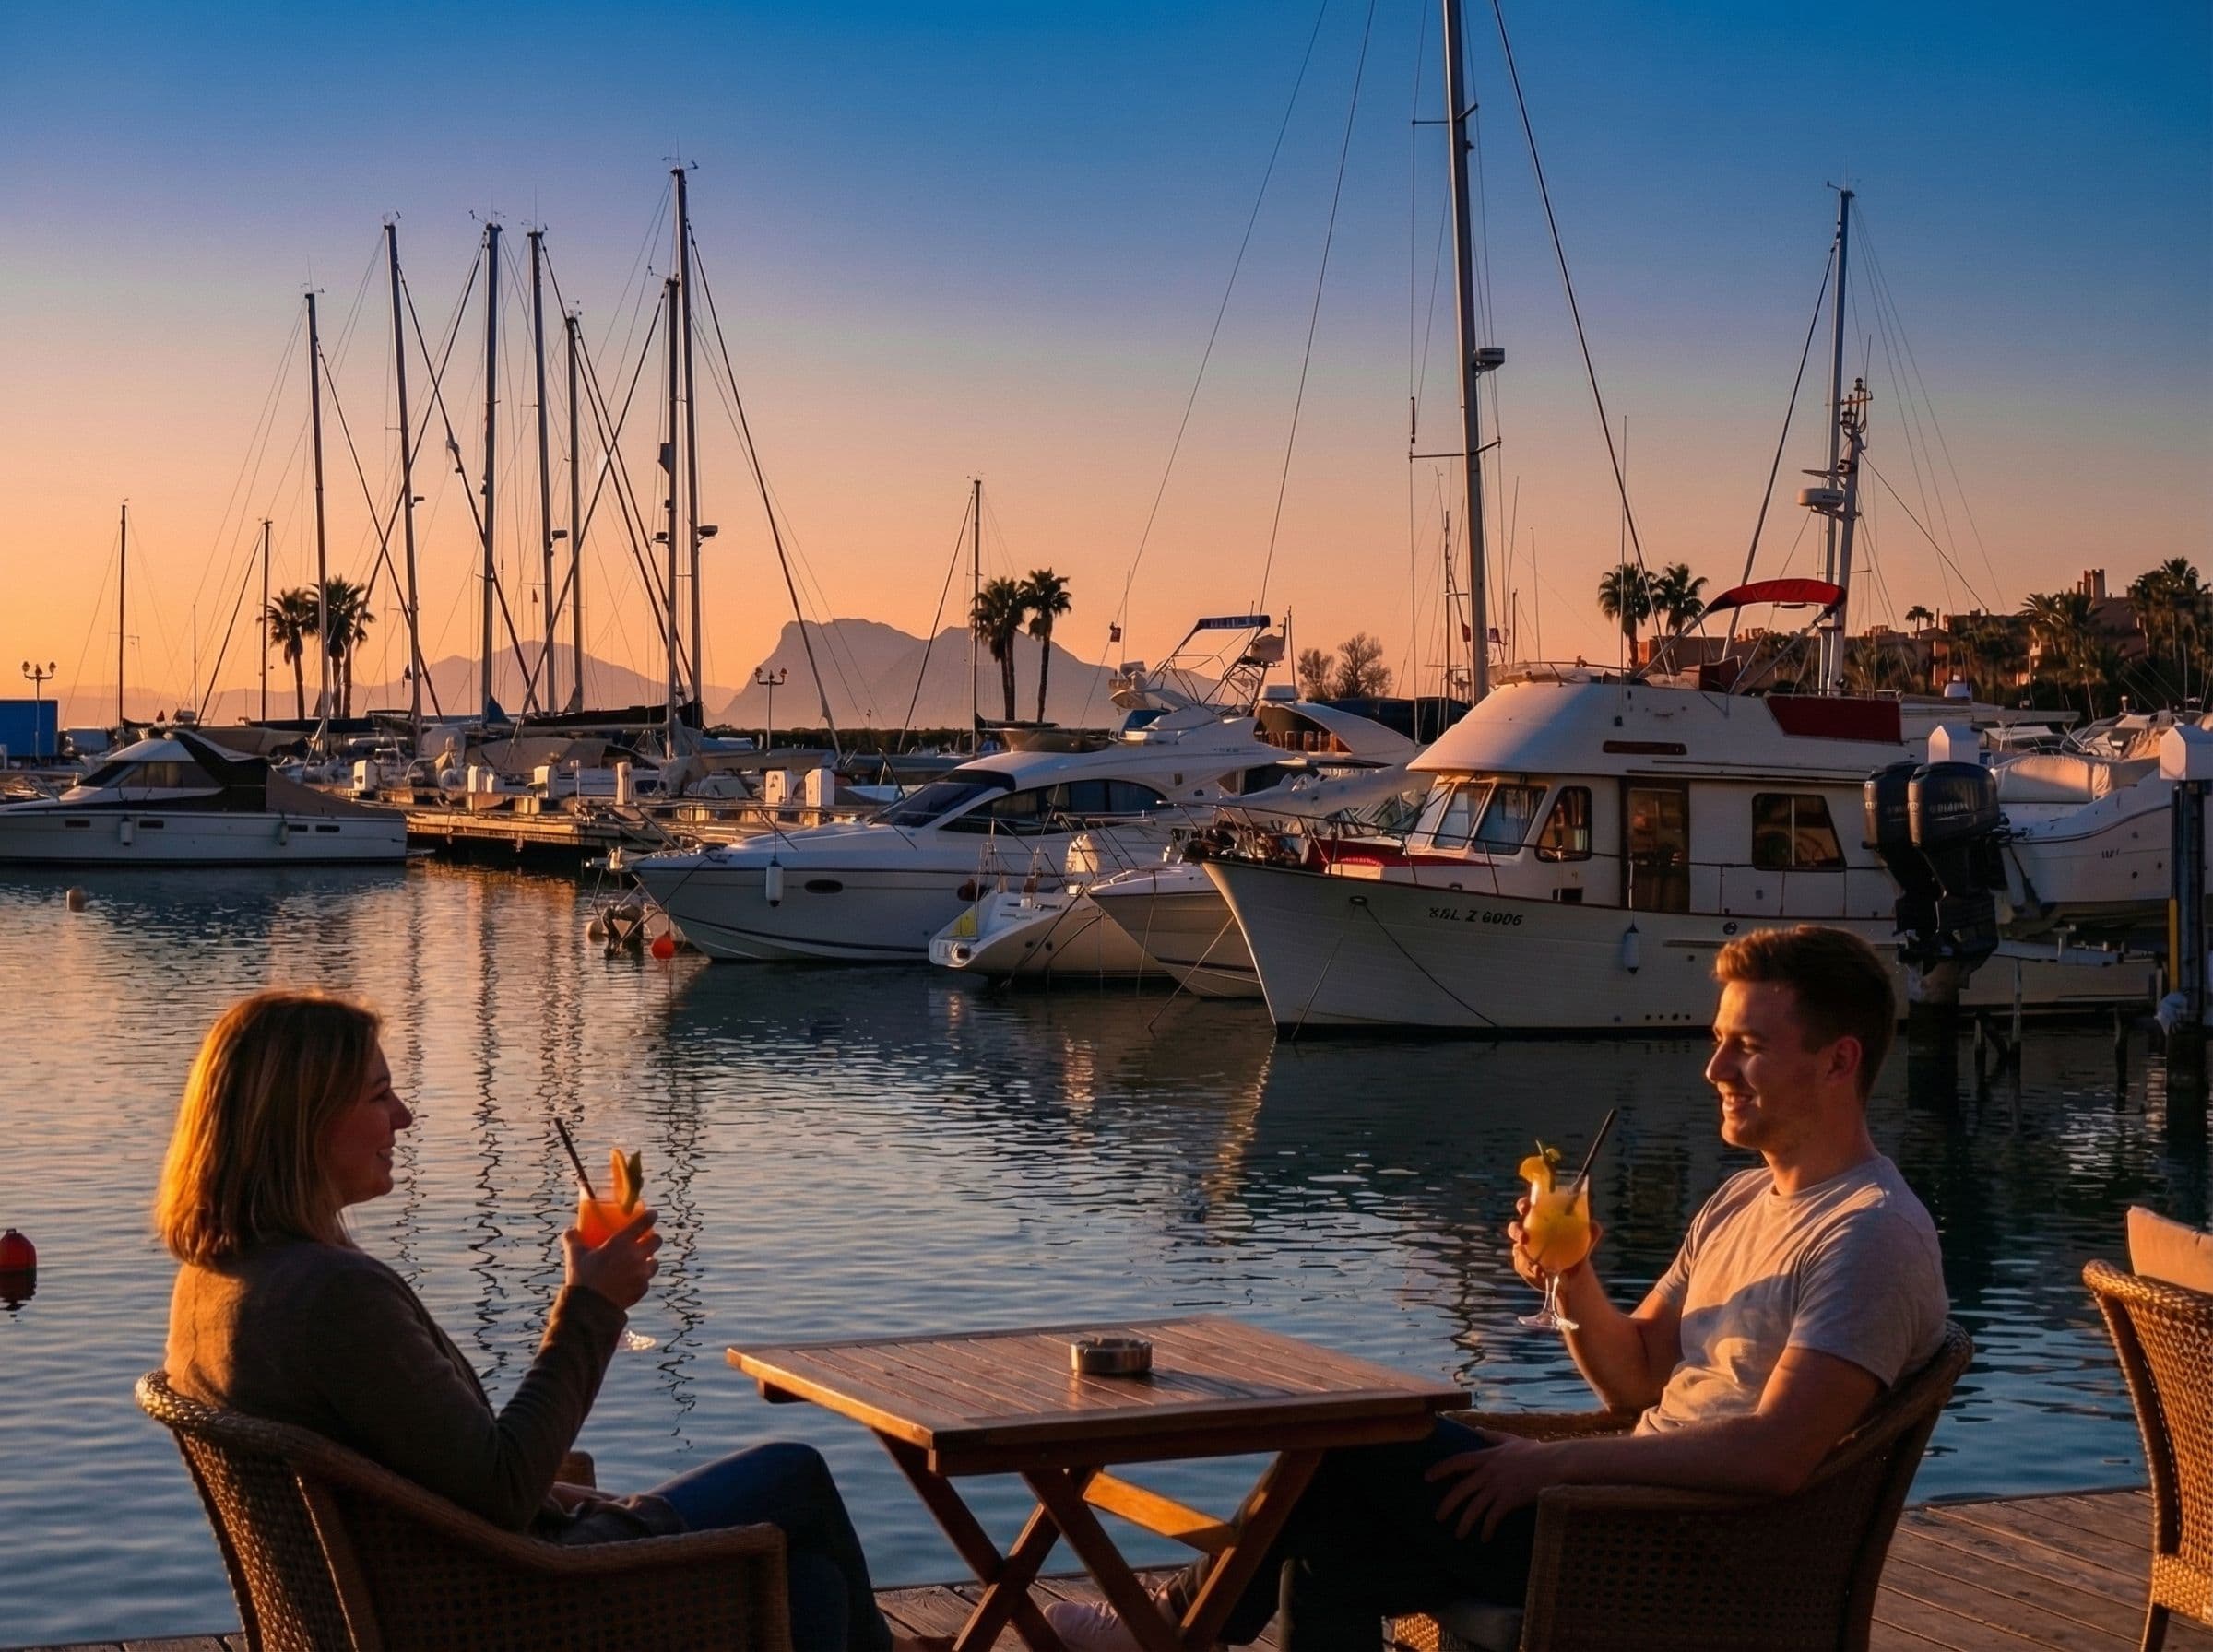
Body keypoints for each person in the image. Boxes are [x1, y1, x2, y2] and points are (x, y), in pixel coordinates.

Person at [1047, 925, 1950, 1649]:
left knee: (1351, 1441)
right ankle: (1174, 1628)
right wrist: (1573, 1277)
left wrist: (1549, 1462)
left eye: (1747, 1047)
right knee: (1330, 1526)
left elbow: (1773, 1455)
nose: (1714, 1070)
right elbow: (1637, 1379)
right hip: (1616, 1515)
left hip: (1681, 1549)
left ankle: (1170, 1627)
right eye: (1718, 1042)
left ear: (1837, 1062)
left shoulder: (1868, 1233)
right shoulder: (1743, 1196)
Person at [158, 988, 926, 1652]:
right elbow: (499, 1487)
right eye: (378, 1094)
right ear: (304, 1121)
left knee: (810, 1582)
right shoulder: (333, 1296)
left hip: (417, 1595)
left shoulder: (218, 1277)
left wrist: (571, 1498)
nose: (406, 1116)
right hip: (496, 1609)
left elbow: (409, 1472)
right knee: (793, 1473)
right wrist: (591, 1307)